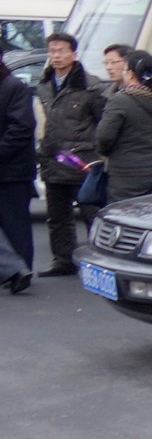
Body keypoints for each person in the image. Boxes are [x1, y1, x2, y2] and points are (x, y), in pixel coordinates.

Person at [33, 32, 106, 278]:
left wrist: (97, 156)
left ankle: (102, 261)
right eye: (52, 51)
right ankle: (63, 260)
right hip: (53, 159)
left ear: (74, 54)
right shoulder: (44, 84)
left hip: (82, 161)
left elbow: (103, 123)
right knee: (57, 217)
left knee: (91, 213)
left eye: (61, 50)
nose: (56, 56)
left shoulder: (91, 86)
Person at [95, 44, 152, 204]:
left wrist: (104, 153)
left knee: (124, 218)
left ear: (130, 74)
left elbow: (104, 137)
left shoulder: (121, 100)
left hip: (127, 173)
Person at [0, 60, 35, 287]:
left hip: (13, 168)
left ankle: (21, 272)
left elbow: (22, 127)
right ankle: (12, 271)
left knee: (15, 225)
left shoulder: (13, 86)